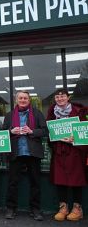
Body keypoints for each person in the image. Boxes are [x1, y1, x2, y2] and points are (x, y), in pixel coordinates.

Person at [1, 91, 48, 221]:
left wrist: (32, 131)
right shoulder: (9, 115)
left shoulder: (37, 113)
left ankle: (35, 209)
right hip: (16, 152)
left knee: (35, 183)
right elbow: (2, 132)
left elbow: (45, 131)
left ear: (29, 100)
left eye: (25, 98)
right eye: (20, 98)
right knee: (12, 183)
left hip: (32, 153)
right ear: (16, 100)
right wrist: (10, 131)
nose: (23, 100)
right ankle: (11, 208)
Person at [46, 88, 88, 221]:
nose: (60, 99)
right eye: (57, 97)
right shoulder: (51, 114)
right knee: (60, 179)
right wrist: (53, 138)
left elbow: (84, 132)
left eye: (62, 96)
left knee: (76, 179)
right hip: (59, 150)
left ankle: (77, 209)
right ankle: (63, 207)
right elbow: (48, 134)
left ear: (68, 97)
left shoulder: (79, 112)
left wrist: (75, 138)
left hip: (75, 151)